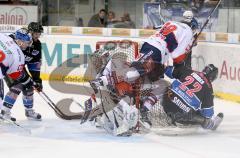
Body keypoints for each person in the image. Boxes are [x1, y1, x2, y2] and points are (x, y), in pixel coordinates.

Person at [90, 19, 198, 112]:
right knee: (135, 72)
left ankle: (144, 110)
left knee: (161, 84)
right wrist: (180, 67)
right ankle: (103, 81)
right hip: (155, 48)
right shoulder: (188, 31)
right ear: (192, 28)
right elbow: (177, 56)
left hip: (156, 52)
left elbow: (156, 28)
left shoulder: (171, 23)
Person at [2, 22, 43, 121]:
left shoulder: (37, 45)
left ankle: (29, 112)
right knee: (17, 85)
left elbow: (34, 64)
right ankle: (4, 112)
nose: (37, 36)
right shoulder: (17, 38)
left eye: (39, 34)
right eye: (36, 33)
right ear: (30, 32)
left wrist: (36, 80)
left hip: (19, 67)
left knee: (30, 86)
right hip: (9, 67)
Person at [162, 64, 223, 130]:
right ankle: (211, 125)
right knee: (204, 118)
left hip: (166, 102)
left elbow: (168, 71)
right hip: (182, 114)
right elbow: (207, 114)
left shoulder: (188, 71)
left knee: (167, 86)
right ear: (212, 77)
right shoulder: (208, 89)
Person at [0, 28, 33, 122]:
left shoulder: (3, 36)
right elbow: (15, 75)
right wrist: (28, 81)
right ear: (20, 42)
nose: (29, 44)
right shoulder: (19, 56)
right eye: (27, 42)